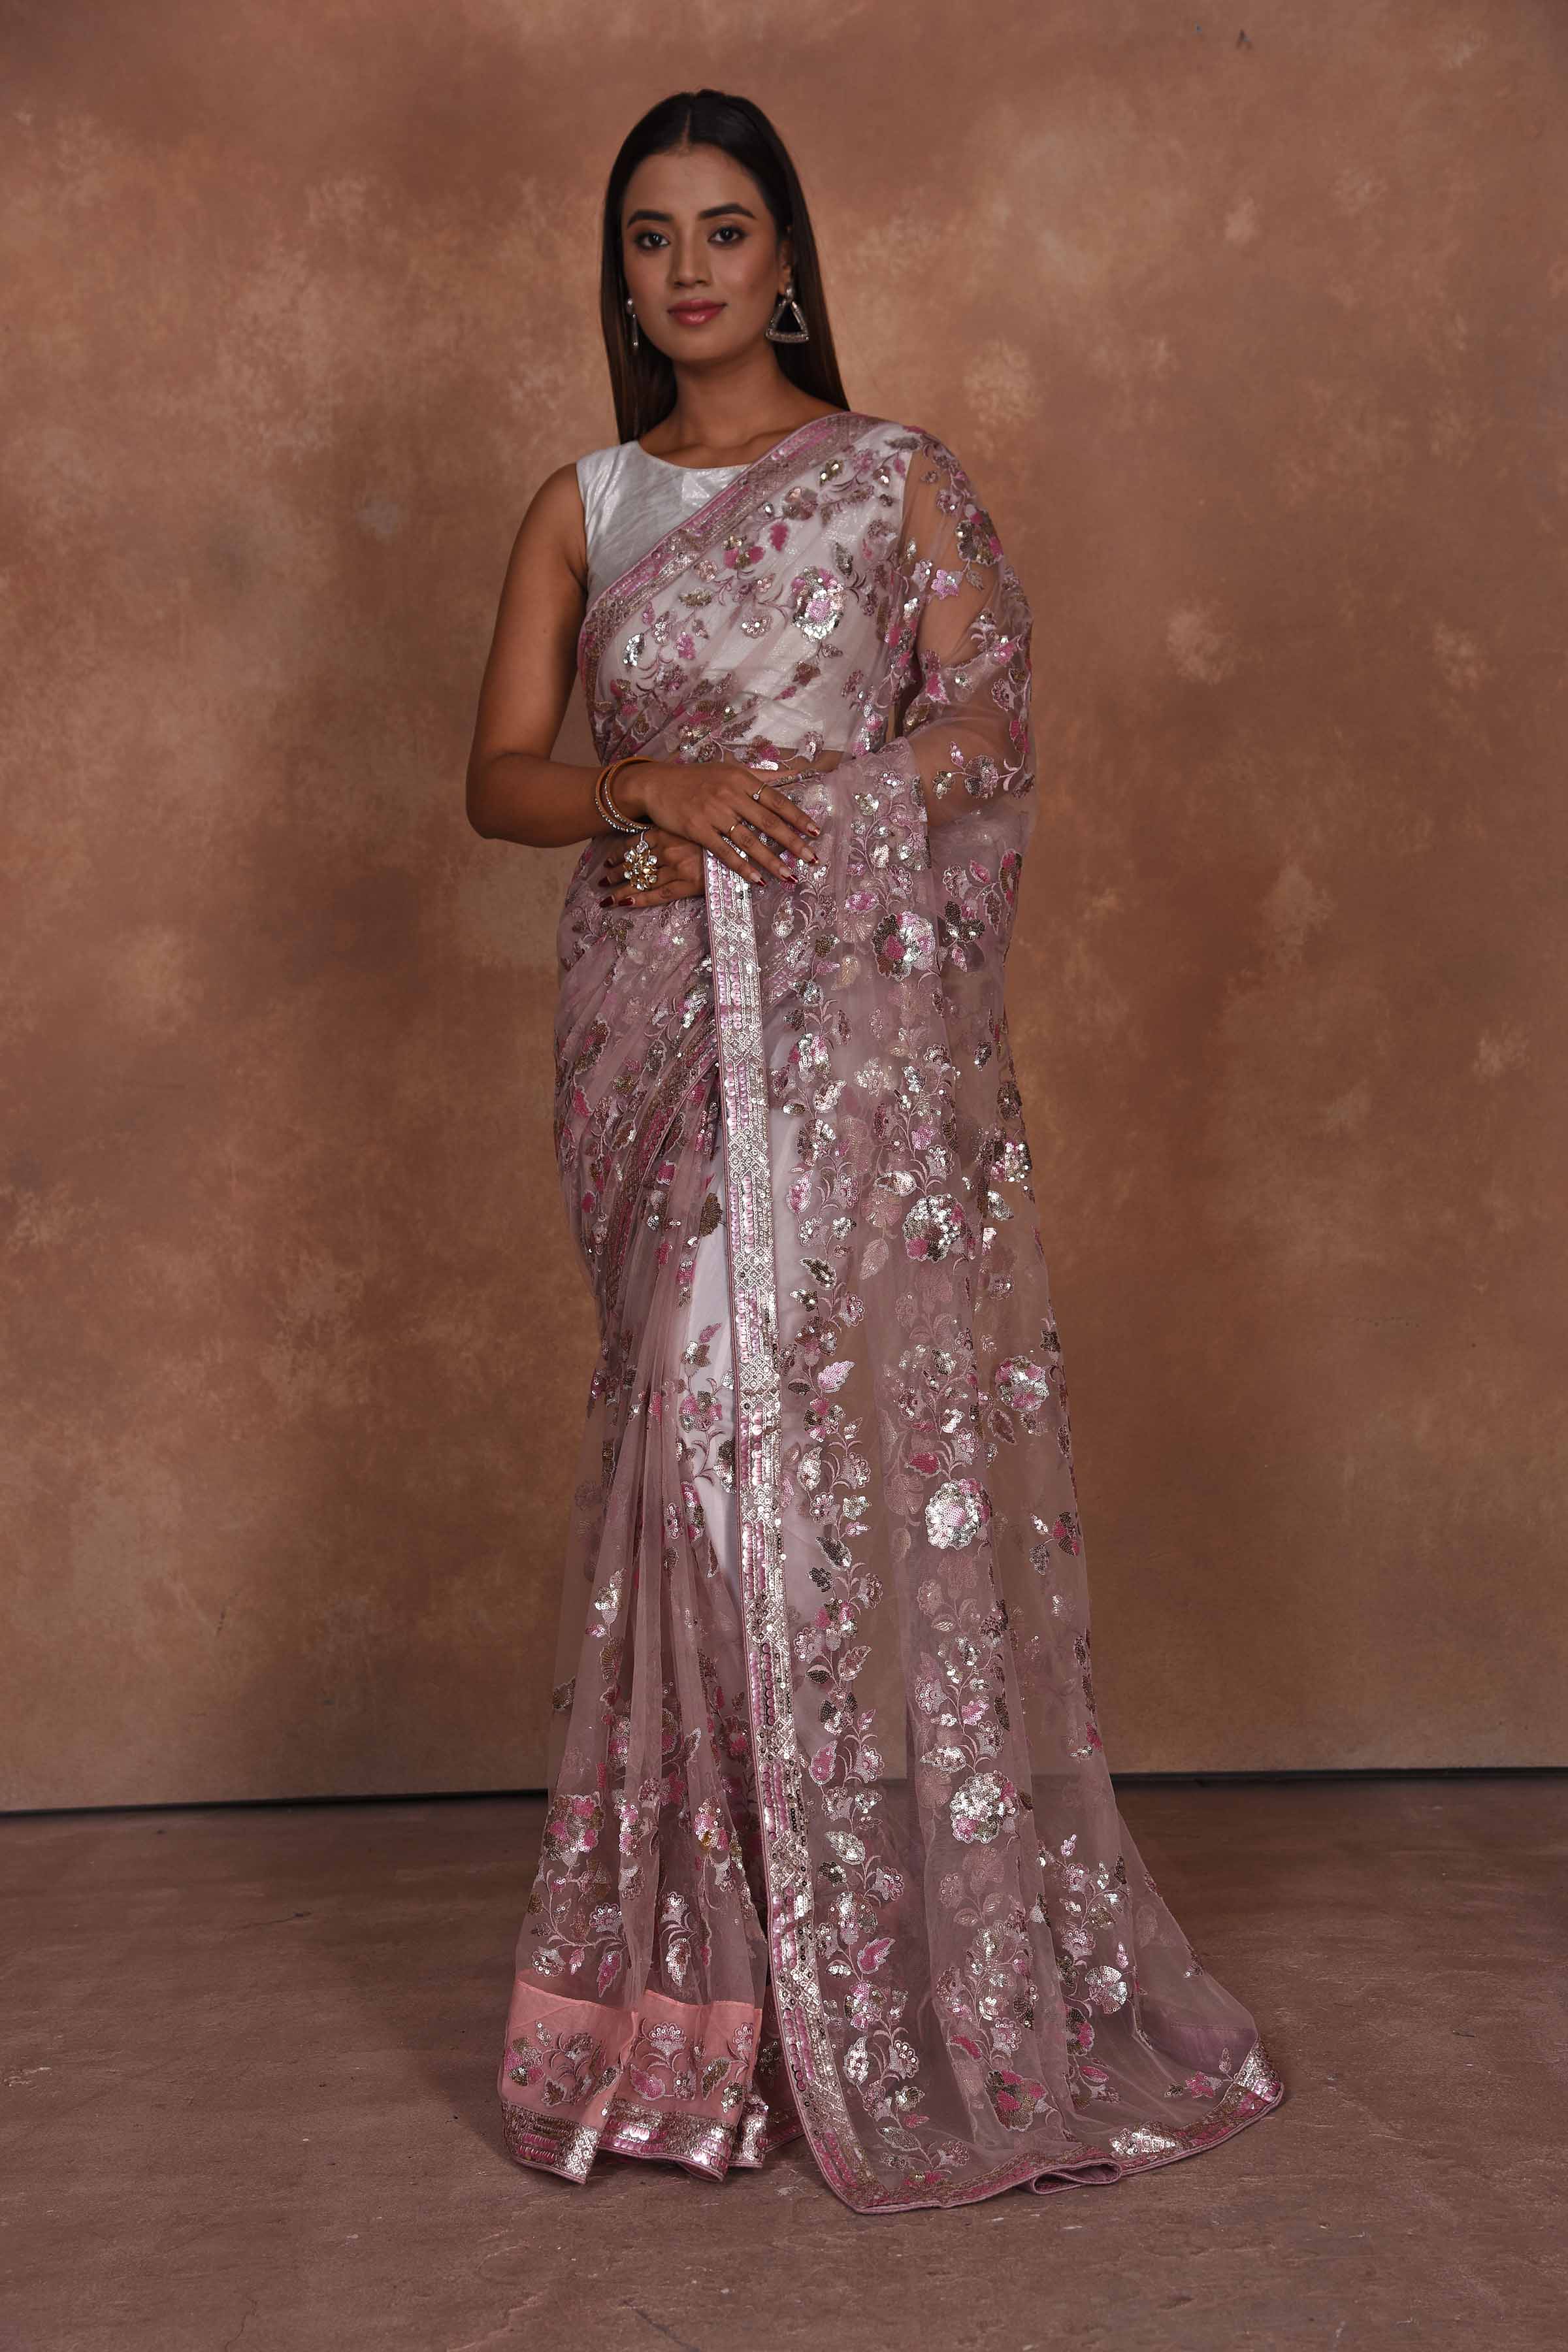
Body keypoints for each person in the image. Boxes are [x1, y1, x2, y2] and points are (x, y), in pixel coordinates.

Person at [466, 87, 1284, 2216]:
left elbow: (987, 735)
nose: (689, 270)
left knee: (789, 1479)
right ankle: (692, 2000)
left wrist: (785, 825)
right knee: (685, 1451)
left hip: (838, 1056)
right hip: (646, 1040)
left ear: (788, 257)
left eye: (725, 229)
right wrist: (649, 791)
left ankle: (809, 1960)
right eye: (651, 237)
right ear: (621, 275)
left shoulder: (895, 479)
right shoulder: (586, 504)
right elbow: (502, 778)